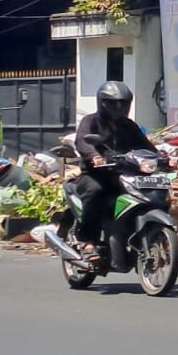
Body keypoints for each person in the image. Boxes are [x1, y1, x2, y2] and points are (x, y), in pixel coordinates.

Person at [71, 81, 156, 255]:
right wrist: (95, 157)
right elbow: (82, 142)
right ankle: (88, 241)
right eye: (115, 103)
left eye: (123, 103)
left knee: (148, 191)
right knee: (96, 192)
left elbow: (146, 147)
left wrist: (162, 158)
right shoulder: (91, 121)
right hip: (95, 175)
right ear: (103, 103)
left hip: (123, 174)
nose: (120, 107)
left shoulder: (129, 126)